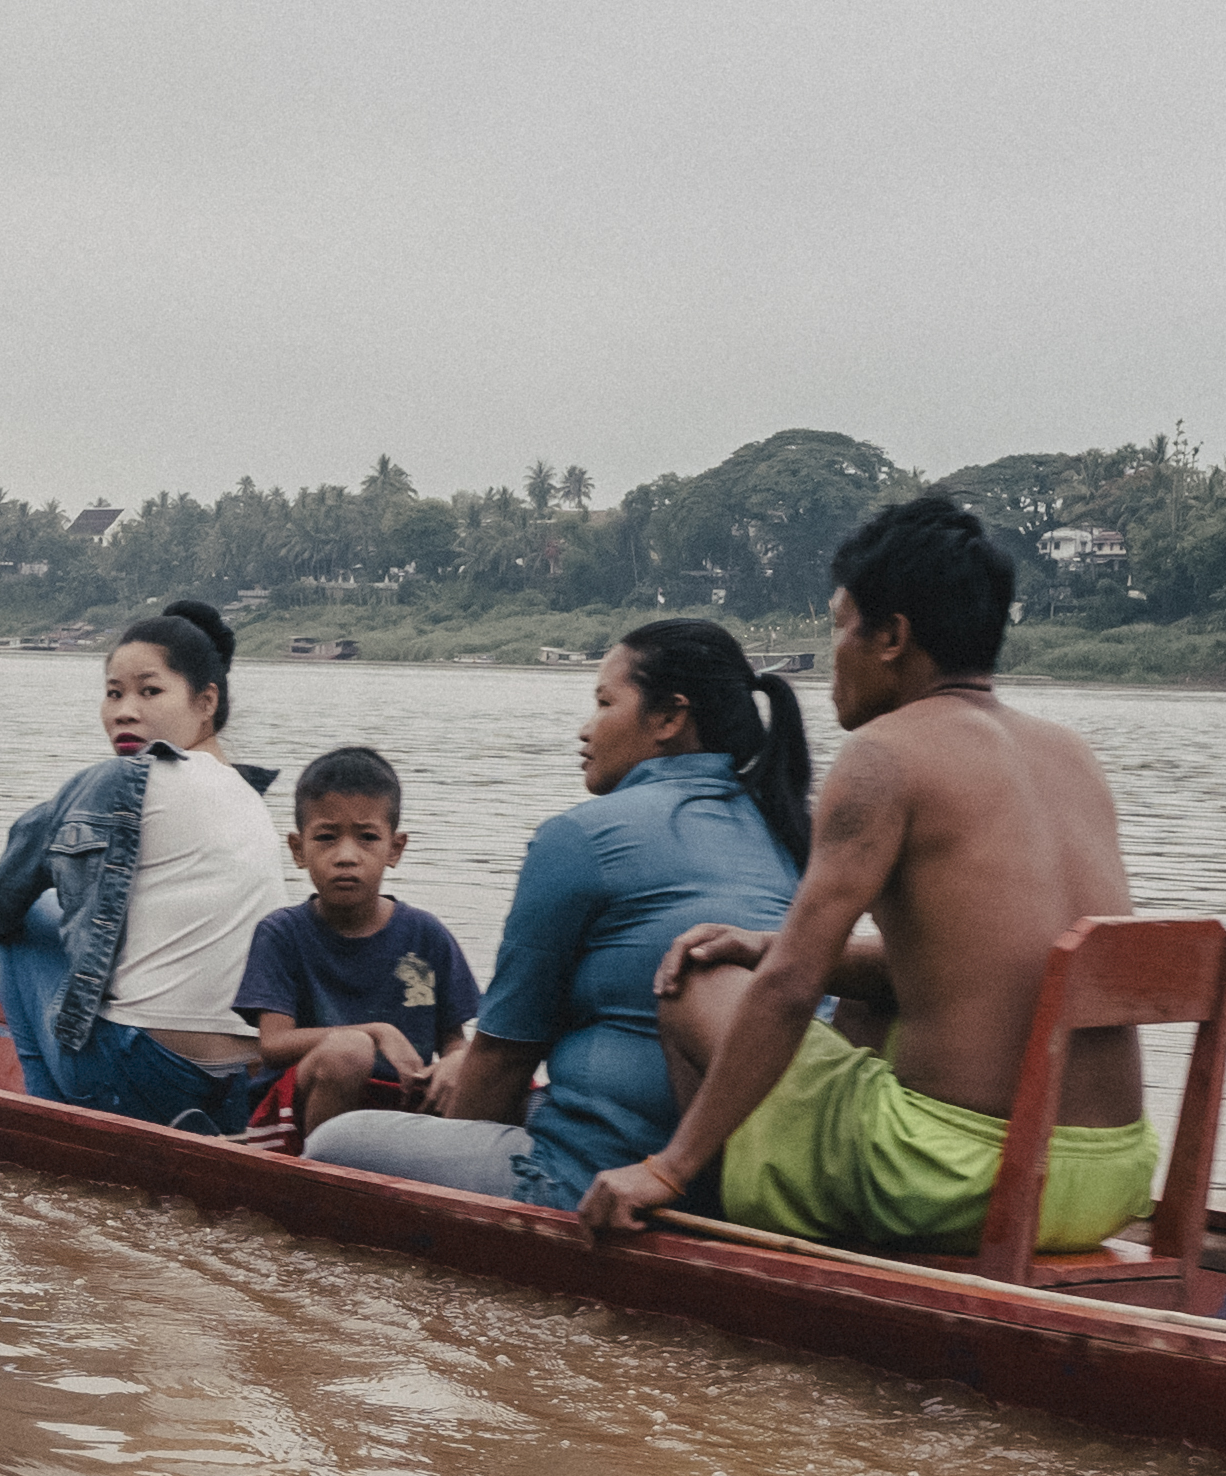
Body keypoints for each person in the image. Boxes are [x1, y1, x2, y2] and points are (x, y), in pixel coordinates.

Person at [576, 494, 1157, 1255]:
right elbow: (982, 967)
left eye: (838, 626)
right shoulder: (1070, 754)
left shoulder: (885, 754)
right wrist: (761, 941)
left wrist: (667, 1166)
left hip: (953, 1177)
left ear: (891, 637)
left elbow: (789, 989)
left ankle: (705, 1220)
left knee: (692, 980)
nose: (833, 657)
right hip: (1110, 1178)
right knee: (851, 1004)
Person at [305, 620, 809, 1208]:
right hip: (759, 1170)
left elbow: (502, 1058)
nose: (585, 729)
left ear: (670, 718)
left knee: (332, 1144)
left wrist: (456, 1164)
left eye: (603, 703)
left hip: (597, 1174)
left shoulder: (580, 837)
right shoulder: (789, 830)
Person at [0, 601, 296, 1128]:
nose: (123, 711)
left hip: (141, 1070)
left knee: (24, 924)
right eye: (113, 692)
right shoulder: (249, 792)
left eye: (149, 691)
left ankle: (50, 1122)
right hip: (241, 1080)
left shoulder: (116, 781)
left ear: (205, 701)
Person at [235, 745, 479, 1141]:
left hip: (396, 1106)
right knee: (349, 1051)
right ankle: (322, 1175)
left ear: (394, 849)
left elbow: (453, 1039)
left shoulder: (424, 935)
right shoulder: (282, 932)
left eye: (367, 838)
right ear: (298, 850)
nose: (346, 856)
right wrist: (377, 1031)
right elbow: (273, 1045)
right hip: (297, 1108)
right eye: (326, 837)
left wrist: (455, 1062)